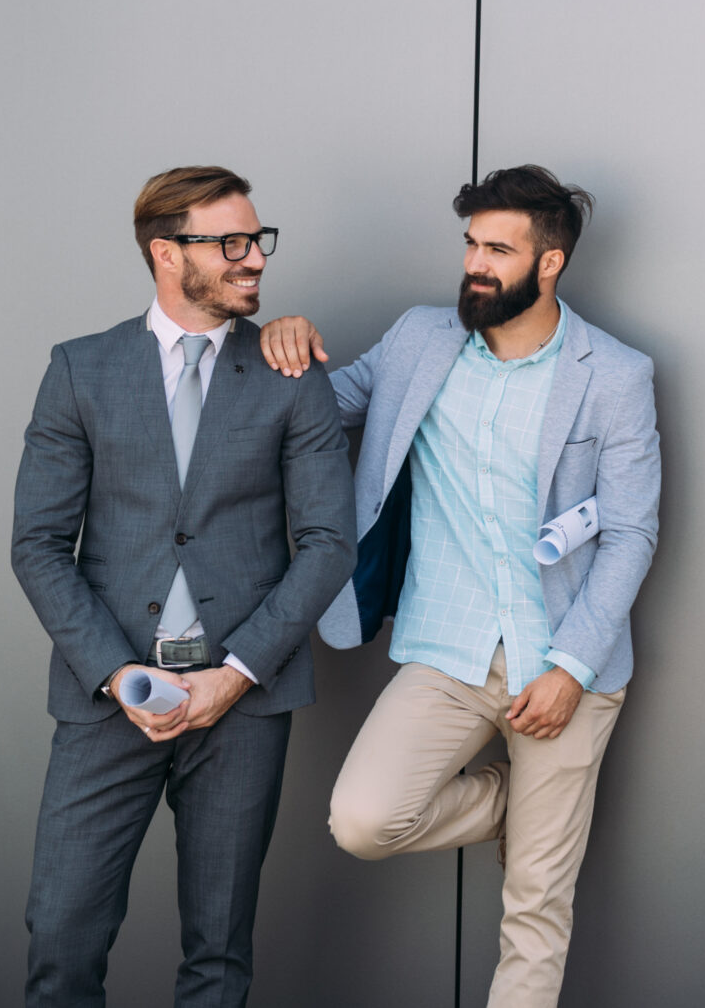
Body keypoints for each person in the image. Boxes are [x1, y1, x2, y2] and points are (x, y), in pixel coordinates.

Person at [256, 166, 661, 1008]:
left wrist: (572, 669)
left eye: (498, 249)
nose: (476, 264)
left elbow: (630, 535)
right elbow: (317, 411)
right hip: (448, 651)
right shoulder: (419, 339)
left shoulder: (613, 374)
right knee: (364, 819)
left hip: (561, 664)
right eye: (472, 244)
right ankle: (532, 806)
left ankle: (548, 810)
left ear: (549, 264)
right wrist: (279, 342)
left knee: (535, 910)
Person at [12, 166, 357, 1008]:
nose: (254, 260)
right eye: (230, 243)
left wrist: (233, 676)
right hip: (107, 700)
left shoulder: (293, 372)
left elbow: (326, 544)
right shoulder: (80, 370)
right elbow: (39, 546)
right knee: (61, 934)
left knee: (219, 952)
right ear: (168, 253)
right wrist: (115, 675)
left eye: (257, 240)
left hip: (242, 703)